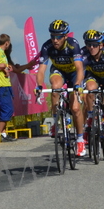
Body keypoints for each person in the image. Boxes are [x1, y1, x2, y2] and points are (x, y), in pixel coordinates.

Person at [21, 19, 87, 156]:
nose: (55, 40)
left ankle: (80, 139)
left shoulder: (73, 44)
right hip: (59, 71)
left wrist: (77, 84)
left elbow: (80, 69)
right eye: (52, 36)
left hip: (74, 73)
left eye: (58, 37)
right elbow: (41, 70)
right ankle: (56, 119)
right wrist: (39, 85)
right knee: (56, 86)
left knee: (75, 108)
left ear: (65, 36)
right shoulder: (47, 47)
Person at [0, 34, 17, 142]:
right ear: (7, 43)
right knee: (7, 109)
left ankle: (4, 133)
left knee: (6, 110)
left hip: (5, 84)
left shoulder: (2, 53)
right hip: (1, 85)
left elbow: (1, 66)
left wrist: (6, 67)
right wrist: (1, 66)